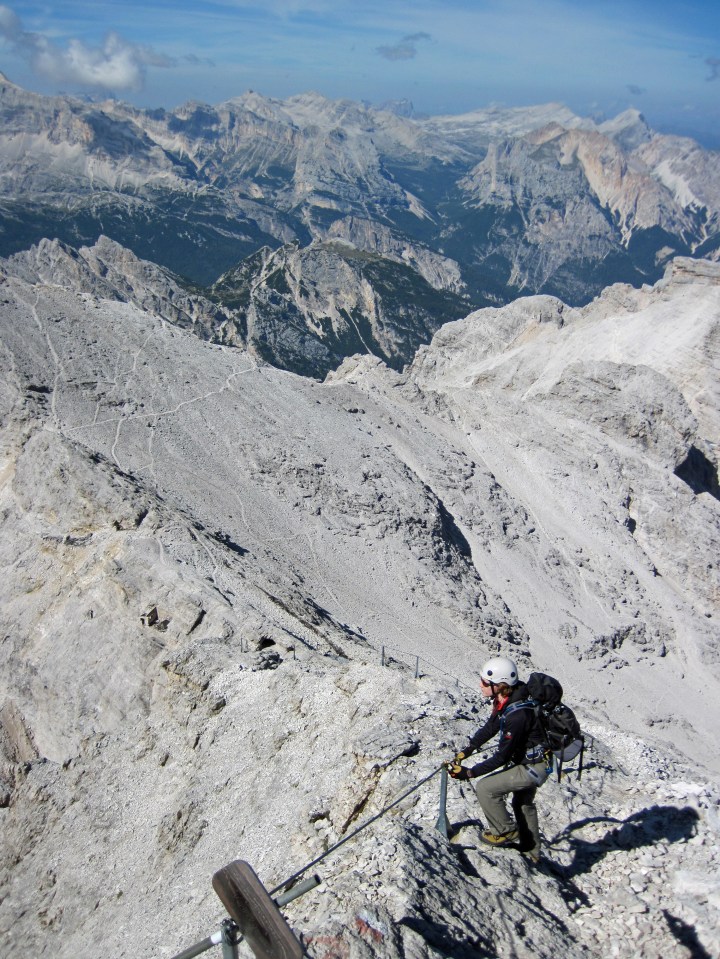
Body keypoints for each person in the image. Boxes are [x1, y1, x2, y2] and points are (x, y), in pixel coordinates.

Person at [447, 656, 550, 863]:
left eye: (485, 682)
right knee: (522, 803)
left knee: (485, 788)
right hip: (532, 760)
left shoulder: (517, 715)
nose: (481, 685)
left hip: (533, 766)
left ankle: (504, 831)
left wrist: (469, 772)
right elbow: (491, 727)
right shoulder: (508, 699)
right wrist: (467, 750)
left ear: (500, 685)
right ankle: (533, 853)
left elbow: (501, 757)